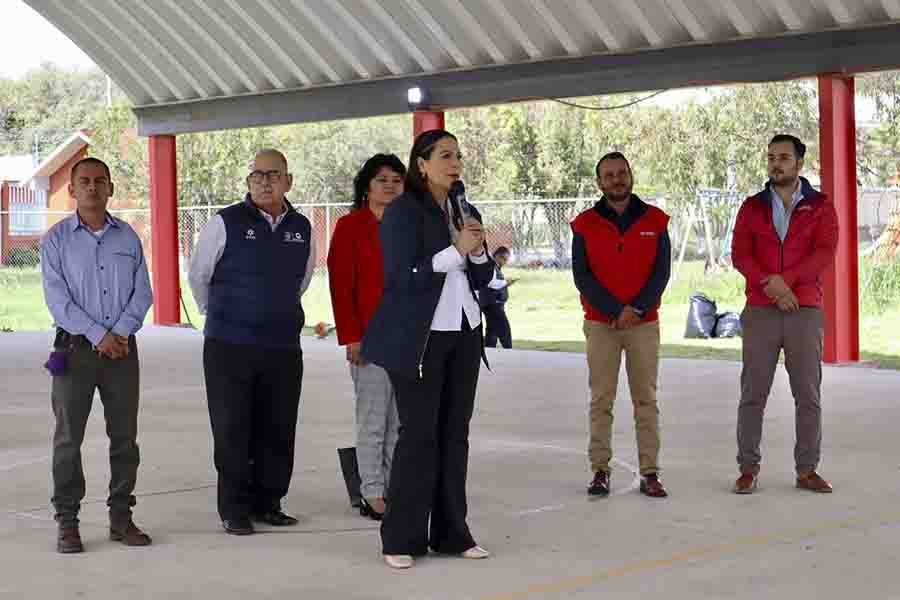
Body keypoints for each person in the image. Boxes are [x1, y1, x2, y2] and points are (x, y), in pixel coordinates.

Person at [361, 129, 495, 569]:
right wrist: (455, 251)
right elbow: (403, 277)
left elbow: (482, 277)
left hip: (465, 331)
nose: (454, 163)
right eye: (444, 155)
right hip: (420, 339)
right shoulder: (402, 212)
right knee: (419, 437)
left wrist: (477, 257)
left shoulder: (463, 207)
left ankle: (453, 534)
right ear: (421, 164)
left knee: (455, 436)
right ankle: (400, 538)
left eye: (458, 155)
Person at [189, 149, 315, 535]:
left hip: (282, 346)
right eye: (257, 175)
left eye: (273, 174)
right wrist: (225, 315)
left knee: (278, 427)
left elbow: (303, 281)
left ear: (288, 181)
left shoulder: (302, 227)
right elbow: (199, 277)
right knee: (232, 427)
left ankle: (269, 502)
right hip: (230, 345)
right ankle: (235, 510)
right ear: (248, 181)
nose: (264, 181)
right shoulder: (225, 222)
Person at [40, 157, 154, 553]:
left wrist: (118, 333)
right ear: (72, 189)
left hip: (122, 352)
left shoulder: (128, 238)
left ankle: (121, 519)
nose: (92, 187)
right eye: (84, 181)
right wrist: (97, 334)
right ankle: (67, 523)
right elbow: (58, 300)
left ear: (110, 188)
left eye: (100, 181)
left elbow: (143, 293)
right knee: (68, 440)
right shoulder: (56, 240)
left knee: (124, 440)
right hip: (74, 352)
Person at [731, 134, 839, 495]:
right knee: (753, 393)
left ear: (799, 164)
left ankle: (807, 470)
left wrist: (786, 282)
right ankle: (748, 469)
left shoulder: (821, 206)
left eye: (784, 157)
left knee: (807, 394)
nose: (776, 163)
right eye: (771, 157)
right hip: (761, 310)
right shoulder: (751, 207)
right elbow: (740, 254)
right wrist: (768, 284)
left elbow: (824, 252)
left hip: (803, 309)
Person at [571, 151, 672, 499]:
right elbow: (582, 276)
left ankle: (650, 472)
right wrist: (615, 310)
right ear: (600, 183)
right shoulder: (583, 224)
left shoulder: (656, 220)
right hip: (601, 324)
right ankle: (600, 470)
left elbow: (661, 273)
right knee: (602, 399)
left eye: (622, 173)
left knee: (646, 399)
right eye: (609, 175)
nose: (617, 179)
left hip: (644, 324)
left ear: (631, 175)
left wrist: (637, 309)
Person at [327, 153, 406, 520]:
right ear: (367, 186)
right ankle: (371, 490)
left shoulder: (410, 224)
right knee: (373, 418)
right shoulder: (350, 226)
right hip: (369, 341)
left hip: (406, 340)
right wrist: (352, 337)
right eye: (382, 180)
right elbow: (341, 287)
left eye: (396, 179)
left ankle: (391, 486)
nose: (389, 186)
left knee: (398, 421)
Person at [479, 246, 517, 349]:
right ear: (498, 256)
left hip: (493, 303)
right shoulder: (490, 265)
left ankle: (489, 349)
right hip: (492, 303)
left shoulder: (494, 266)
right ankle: (509, 351)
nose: (505, 262)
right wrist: (506, 282)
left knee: (492, 330)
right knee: (504, 329)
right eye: (504, 259)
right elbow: (491, 282)